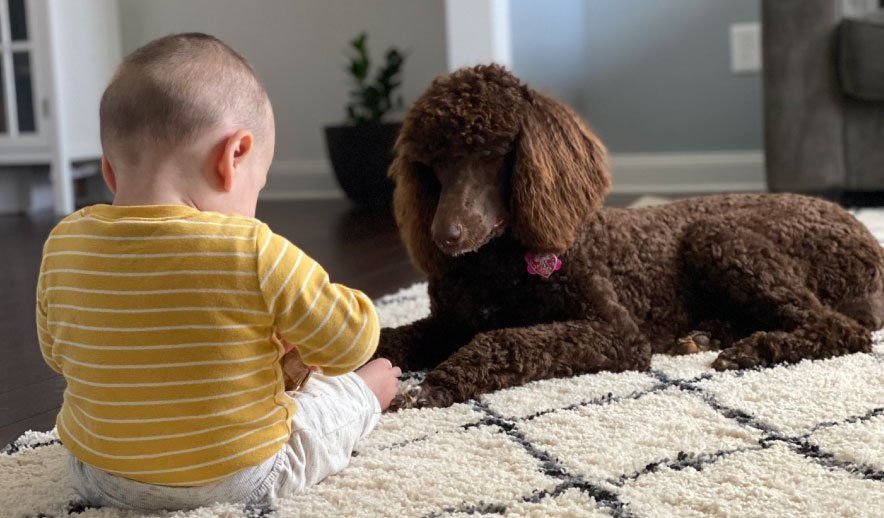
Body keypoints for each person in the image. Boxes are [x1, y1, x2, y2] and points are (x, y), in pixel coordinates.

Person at [35, 33, 400, 511]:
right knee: (332, 399)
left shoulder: (63, 241)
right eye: (258, 183)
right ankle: (370, 396)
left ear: (109, 171)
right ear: (234, 157)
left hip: (96, 474)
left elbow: (57, 355)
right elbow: (349, 343)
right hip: (234, 481)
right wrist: (349, 365)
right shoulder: (252, 249)